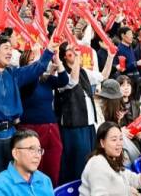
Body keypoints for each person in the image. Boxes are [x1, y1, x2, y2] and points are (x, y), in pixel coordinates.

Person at [0, 22, 59, 196]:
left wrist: (49, 51)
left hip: (11, 136)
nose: (10, 52)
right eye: (6, 48)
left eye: (11, 48)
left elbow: (36, 68)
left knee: (13, 184)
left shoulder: (13, 73)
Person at [55, 43, 114, 184]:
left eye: (75, 49)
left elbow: (103, 76)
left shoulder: (83, 71)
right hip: (73, 126)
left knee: (92, 160)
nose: (75, 51)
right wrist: (77, 59)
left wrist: (110, 57)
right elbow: (72, 81)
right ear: (64, 56)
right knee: (77, 164)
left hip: (89, 124)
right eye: (70, 50)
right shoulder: (60, 74)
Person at [17, 43, 69, 187]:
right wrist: (39, 62)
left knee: (53, 167)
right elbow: (32, 78)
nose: (38, 63)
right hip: (30, 129)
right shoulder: (22, 80)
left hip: (52, 128)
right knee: (33, 168)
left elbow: (64, 80)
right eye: (32, 60)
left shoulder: (45, 80)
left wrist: (57, 60)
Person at [79, 121, 141, 196]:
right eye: (114, 140)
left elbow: (135, 181)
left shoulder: (113, 159)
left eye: (121, 139)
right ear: (102, 143)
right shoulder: (97, 164)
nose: (119, 143)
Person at [0, 129, 53, 196]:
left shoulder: (45, 180)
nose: (37, 155)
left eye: (39, 150)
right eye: (31, 149)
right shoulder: (0, 187)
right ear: (15, 154)